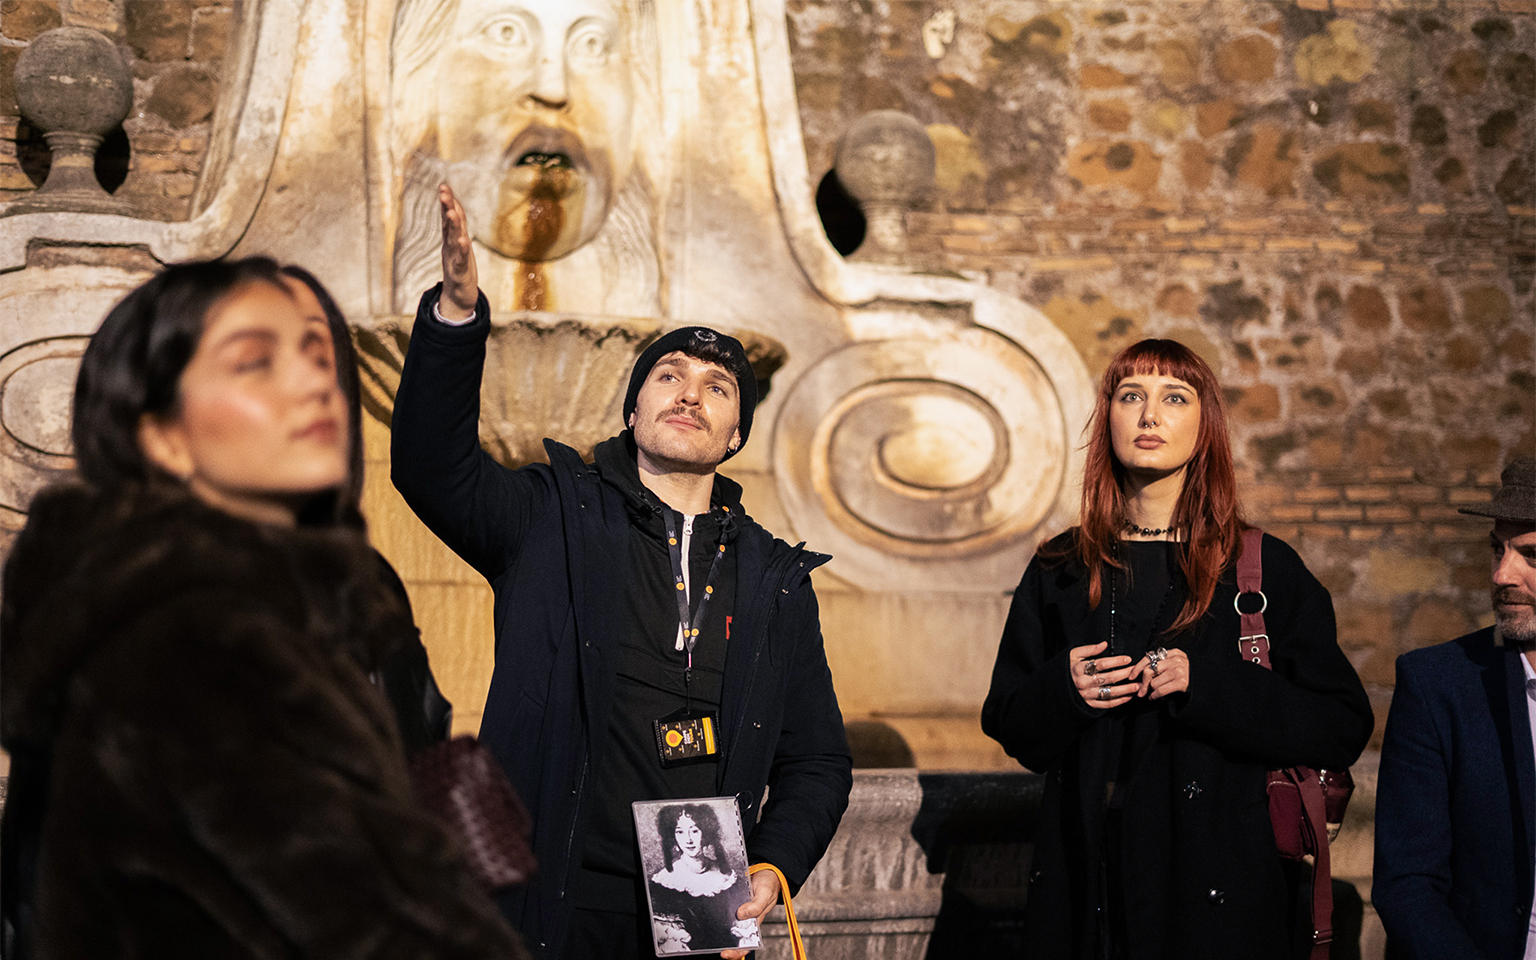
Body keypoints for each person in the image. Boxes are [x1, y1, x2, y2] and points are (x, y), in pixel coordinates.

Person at [0, 258, 525, 960]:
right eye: (255, 362)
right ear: (164, 436)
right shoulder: (195, 641)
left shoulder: (314, 600)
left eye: (317, 354)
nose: (315, 382)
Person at [390, 184, 852, 960]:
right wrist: (455, 320)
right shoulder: (551, 516)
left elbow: (817, 759)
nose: (692, 395)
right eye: (669, 376)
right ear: (633, 409)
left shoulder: (775, 578)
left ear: (736, 433)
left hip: (697, 905)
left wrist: (773, 866)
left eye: (718, 387)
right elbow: (433, 468)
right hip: (550, 892)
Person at [981, 338, 1372, 960]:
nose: (1149, 415)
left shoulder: (1264, 568)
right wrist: (1064, 688)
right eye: (1130, 395)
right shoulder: (1061, 565)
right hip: (1086, 891)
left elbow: (1342, 724)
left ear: (1204, 424)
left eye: (1174, 397)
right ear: (1107, 415)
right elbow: (1010, 723)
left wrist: (1207, 684)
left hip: (1215, 895)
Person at [1373, 456, 1536, 960]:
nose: (1502, 573)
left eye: (1531, 555)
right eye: (1497, 550)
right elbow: (1407, 884)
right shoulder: (1439, 684)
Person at [647, 804, 754, 954]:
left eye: (695, 831)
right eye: (680, 832)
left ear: (706, 833)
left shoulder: (729, 879)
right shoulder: (663, 884)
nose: (688, 840)